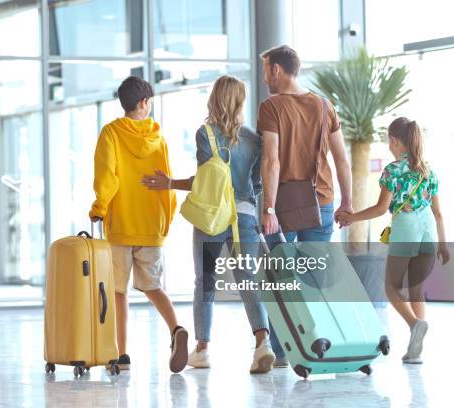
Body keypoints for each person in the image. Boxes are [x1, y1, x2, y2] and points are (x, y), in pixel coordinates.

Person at [142, 75, 276, 374]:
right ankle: (262, 343)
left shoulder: (206, 134)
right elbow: (255, 185)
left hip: (212, 219)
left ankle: (202, 350)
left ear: (215, 99)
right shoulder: (256, 140)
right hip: (245, 216)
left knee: (205, 282)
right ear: (240, 101)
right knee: (247, 280)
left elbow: (205, 183)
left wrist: (170, 184)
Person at [257, 45, 353, 367]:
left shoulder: (271, 107)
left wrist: (268, 209)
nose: (265, 77)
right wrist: (348, 202)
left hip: (283, 207)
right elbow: (342, 159)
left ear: (277, 71)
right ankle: (317, 342)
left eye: (266, 69)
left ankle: (283, 351)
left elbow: (271, 160)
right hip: (322, 202)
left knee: (279, 277)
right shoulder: (326, 107)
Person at [89, 76, 188, 373]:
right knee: (153, 286)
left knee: (118, 291)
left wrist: (98, 208)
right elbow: (166, 180)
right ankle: (175, 329)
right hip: (151, 225)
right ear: (144, 103)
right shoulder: (158, 138)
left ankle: (122, 355)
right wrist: (164, 222)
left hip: (121, 224)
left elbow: (108, 177)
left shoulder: (111, 133)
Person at [338, 117, 450, 364]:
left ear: (395, 140)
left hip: (406, 229)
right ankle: (415, 350)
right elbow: (439, 213)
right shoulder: (427, 170)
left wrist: (351, 217)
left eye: (390, 141)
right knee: (416, 290)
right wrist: (443, 244)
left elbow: (380, 209)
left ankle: (414, 324)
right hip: (429, 232)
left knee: (391, 287)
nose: (389, 146)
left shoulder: (394, 170)